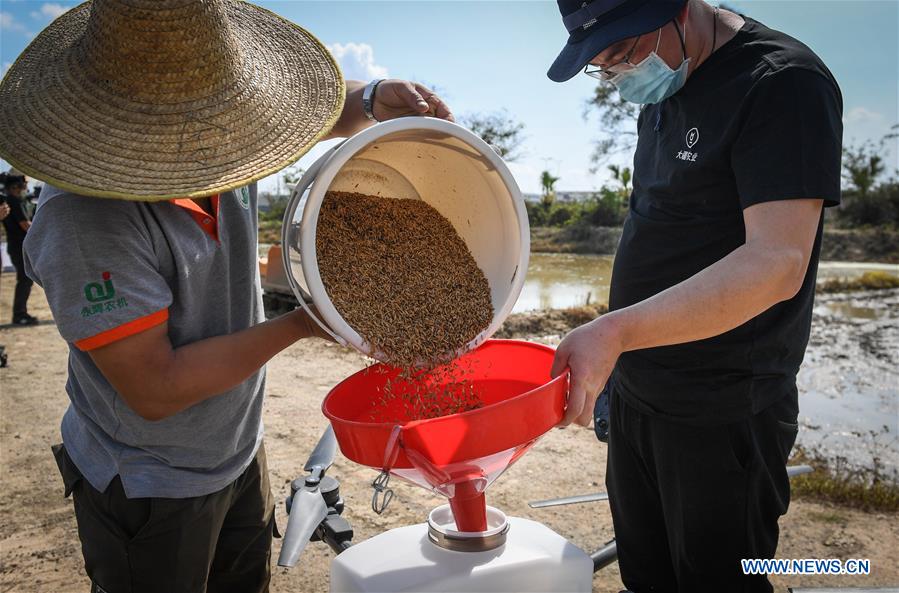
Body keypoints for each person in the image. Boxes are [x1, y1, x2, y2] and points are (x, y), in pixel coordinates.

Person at [0, 1, 452, 591]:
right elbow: (155, 388)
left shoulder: (221, 144)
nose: (222, 139)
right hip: (153, 479)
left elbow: (309, 109)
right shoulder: (84, 219)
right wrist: (304, 322)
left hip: (236, 449)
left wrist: (371, 100)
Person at [546, 1, 842, 591]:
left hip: (722, 408)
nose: (621, 74)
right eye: (602, 66)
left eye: (625, 53)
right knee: (646, 575)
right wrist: (622, 359)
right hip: (637, 395)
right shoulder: (663, 86)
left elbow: (777, 263)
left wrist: (616, 330)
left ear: (680, 9)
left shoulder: (782, 84)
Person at [0, 169, 37, 325]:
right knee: (25, 280)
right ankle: (19, 314)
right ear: (16, 186)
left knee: (25, 280)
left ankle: (20, 313)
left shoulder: (13, 200)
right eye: (24, 184)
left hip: (18, 247)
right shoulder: (14, 201)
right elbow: (25, 225)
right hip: (19, 247)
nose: (25, 187)